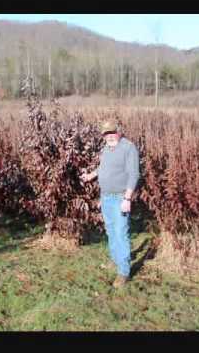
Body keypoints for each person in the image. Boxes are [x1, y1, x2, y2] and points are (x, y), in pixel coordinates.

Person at [81, 119, 140, 288]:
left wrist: (127, 199)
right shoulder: (106, 148)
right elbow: (104, 168)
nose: (109, 136)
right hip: (106, 196)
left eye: (112, 132)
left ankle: (123, 272)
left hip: (120, 198)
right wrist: (91, 175)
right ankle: (115, 261)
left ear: (118, 132)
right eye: (106, 134)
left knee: (121, 233)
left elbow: (133, 175)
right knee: (111, 231)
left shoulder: (128, 148)